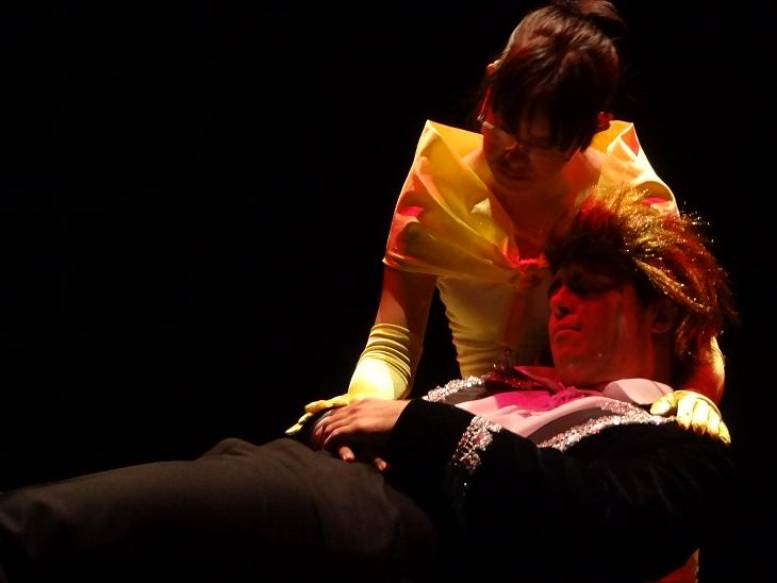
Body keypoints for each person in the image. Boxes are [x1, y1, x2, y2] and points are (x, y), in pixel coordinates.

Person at [0, 187, 734, 582]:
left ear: (660, 310)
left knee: (50, 527)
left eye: (589, 286)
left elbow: (599, 522)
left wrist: (414, 425)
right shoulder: (510, 381)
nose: (561, 302)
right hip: (300, 478)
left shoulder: (675, 445)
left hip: (376, 525)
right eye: (558, 286)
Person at [287, 0, 726, 447]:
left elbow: (693, 332)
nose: (513, 153)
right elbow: (395, 340)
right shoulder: (438, 183)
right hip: (487, 422)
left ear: (594, 127)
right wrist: (363, 399)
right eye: (502, 125)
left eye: (543, 143)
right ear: (492, 80)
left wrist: (699, 394)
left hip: (603, 429)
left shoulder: (625, 192)